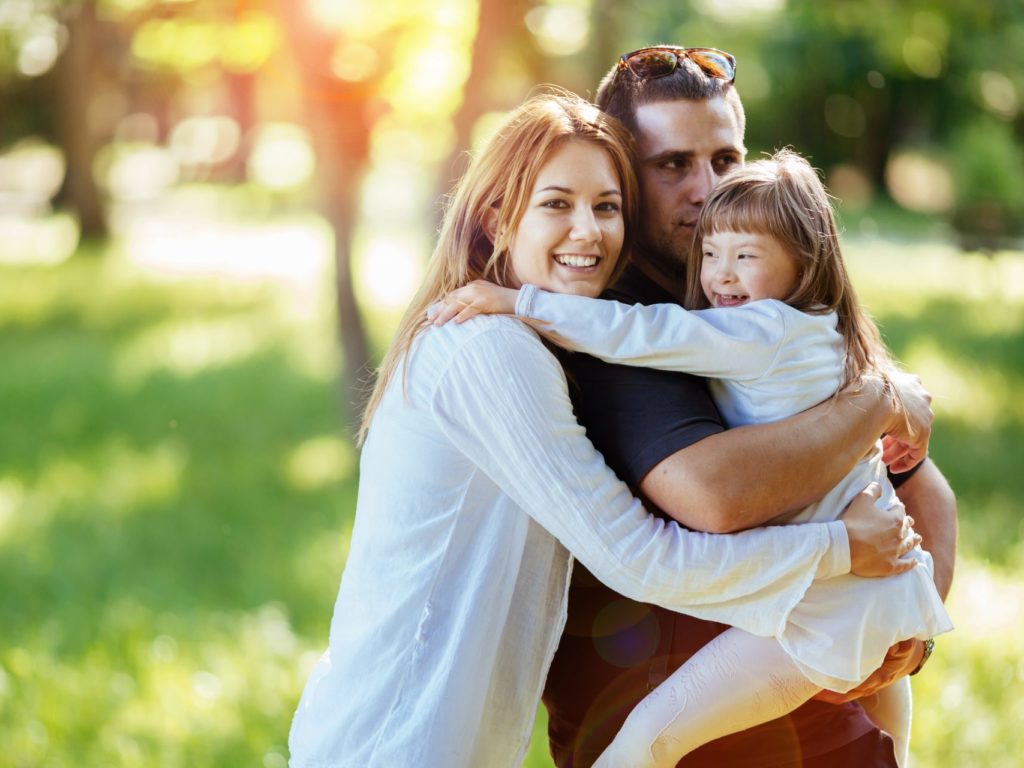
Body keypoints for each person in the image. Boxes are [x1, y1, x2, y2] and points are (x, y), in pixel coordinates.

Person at [286, 91, 923, 768]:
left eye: (606, 206)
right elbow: (645, 558)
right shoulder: (491, 351)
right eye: (557, 204)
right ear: (498, 217)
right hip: (395, 744)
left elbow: (910, 478)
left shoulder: (540, 339)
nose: (589, 232)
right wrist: (840, 548)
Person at [433, 148, 955, 767]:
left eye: (745, 256)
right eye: (712, 254)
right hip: (877, 591)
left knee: (652, 735)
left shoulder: (759, 331)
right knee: (890, 735)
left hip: (829, 601)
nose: (722, 275)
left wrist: (518, 302)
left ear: (803, 258)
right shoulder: (832, 334)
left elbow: (641, 333)